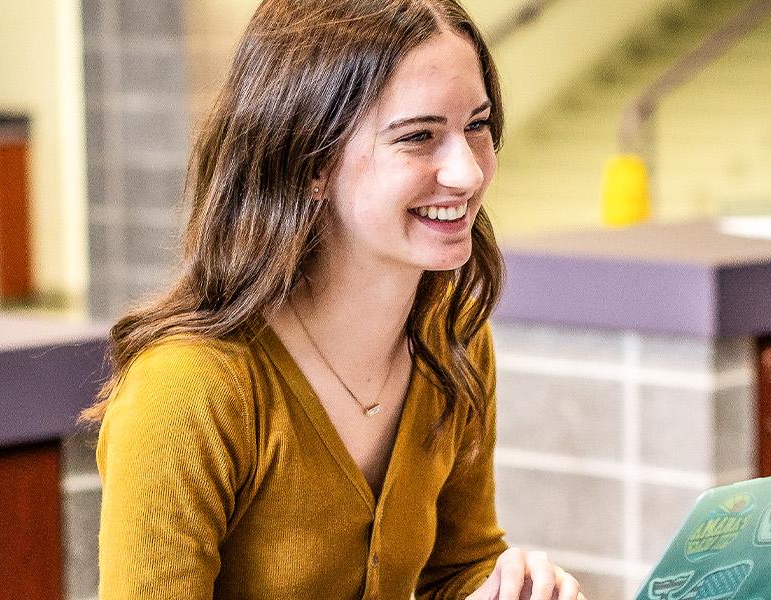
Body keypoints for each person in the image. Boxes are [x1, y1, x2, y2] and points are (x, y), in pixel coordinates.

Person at [85, 1, 584, 598]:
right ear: (310, 162)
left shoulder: (451, 334)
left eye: (476, 126)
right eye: (419, 137)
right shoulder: (188, 392)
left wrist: (506, 591)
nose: (468, 173)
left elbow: (454, 567)